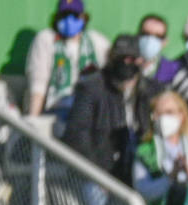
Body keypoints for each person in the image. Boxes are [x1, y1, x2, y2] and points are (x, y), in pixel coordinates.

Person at [63, 33, 162, 185]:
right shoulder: (92, 87)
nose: (126, 63)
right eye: (121, 58)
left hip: (141, 168)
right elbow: (77, 133)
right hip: (99, 172)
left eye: (131, 59)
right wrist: (96, 175)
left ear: (141, 60)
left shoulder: (153, 90)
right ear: (111, 58)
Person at [25, 0, 111, 119]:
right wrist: (34, 121)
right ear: (57, 17)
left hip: (88, 110)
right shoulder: (46, 39)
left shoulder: (96, 41)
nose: (69, 20)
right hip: (56, 109)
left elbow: (111, 72)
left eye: (74, 16)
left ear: (83, 18)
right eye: (64, 15)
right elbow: (38, 83)